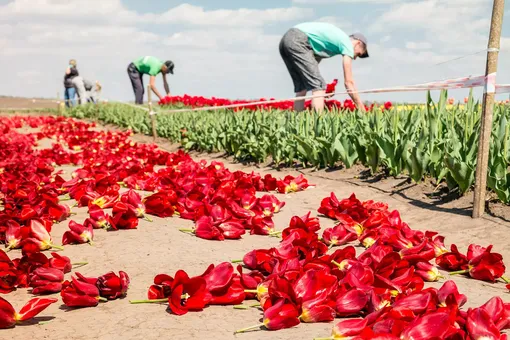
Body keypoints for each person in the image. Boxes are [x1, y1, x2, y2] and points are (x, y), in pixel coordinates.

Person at [279, 22, 369, 112]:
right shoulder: (348, 44)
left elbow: (311, 68)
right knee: (319, 86)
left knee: (302, 87)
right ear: (357, 43)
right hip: (299, 40)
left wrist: (321, 93)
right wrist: (362, 109)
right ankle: (318, 124)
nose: (355, 58)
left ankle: (297, 121)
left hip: (286, 40)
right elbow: (349, 83)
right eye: (358, 54)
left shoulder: (335, 42)